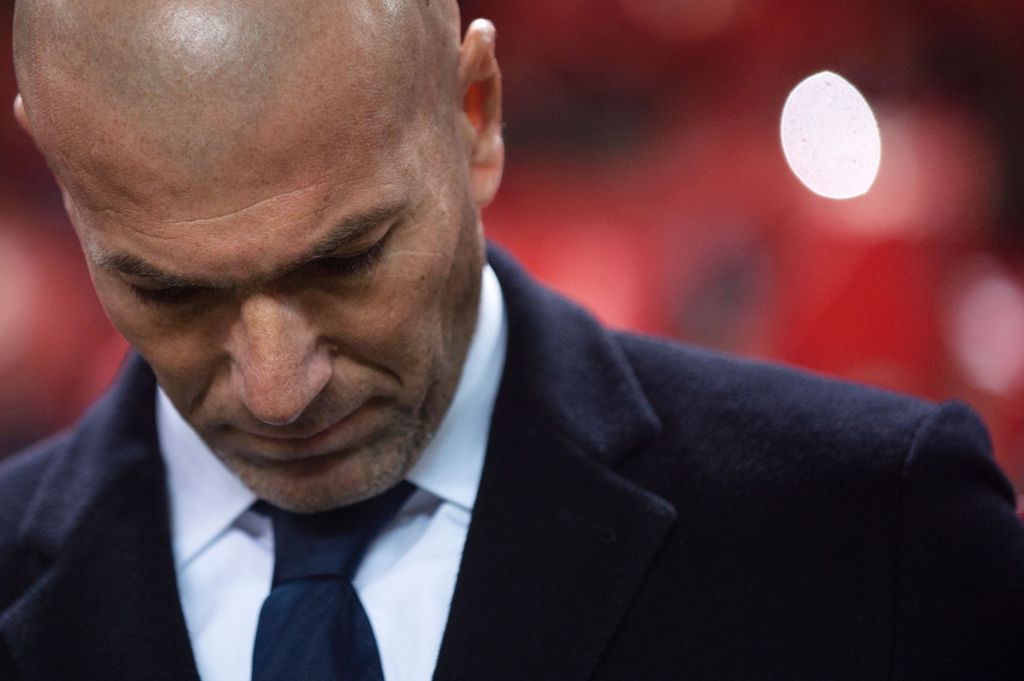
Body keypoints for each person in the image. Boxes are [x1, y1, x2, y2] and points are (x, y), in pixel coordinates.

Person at [1, 1, 1022, 680]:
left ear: (474, 113)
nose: (278, 390)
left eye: (348, 260)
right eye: (169, 292)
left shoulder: (877, 535)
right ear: (57, 170)